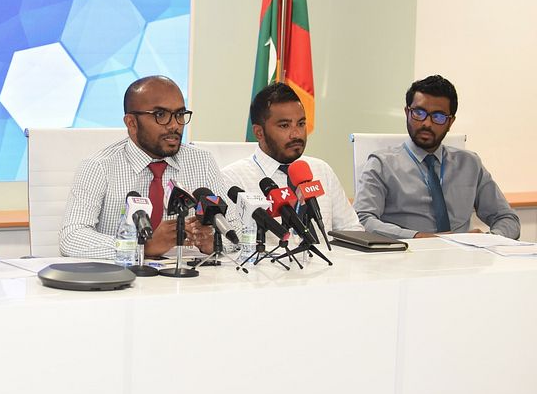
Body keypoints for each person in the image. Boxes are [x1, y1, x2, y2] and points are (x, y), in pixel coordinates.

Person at [60, 76, 232, 259]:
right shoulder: (99, 166)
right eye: (161, 115)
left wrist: (214, 242)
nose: (174, 125)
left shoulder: (202, 162)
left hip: (188, 274)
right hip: (124, 274)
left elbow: (236, 230)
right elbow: (71, 238)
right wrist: (140, 247)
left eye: (180, 114)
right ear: (131, 123)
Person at [355, 75, 520, 239]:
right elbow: (363, 219)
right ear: (407, 112)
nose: (427, 123)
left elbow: (507, 219)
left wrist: (488, 239)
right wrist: (418, 237)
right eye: (419, 113)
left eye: (438, 116)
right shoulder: (382, 164)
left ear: (451, 122)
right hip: (408, 251)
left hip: (462, 253)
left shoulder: (470, 164)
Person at [223, 82, 362, 238]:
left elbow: (352, 230)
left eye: (301, 124)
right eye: (284, 126)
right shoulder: (233, 179)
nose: (296, 134)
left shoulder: (322, 170)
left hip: (326, 254)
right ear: (259, 132)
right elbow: (229, 242)